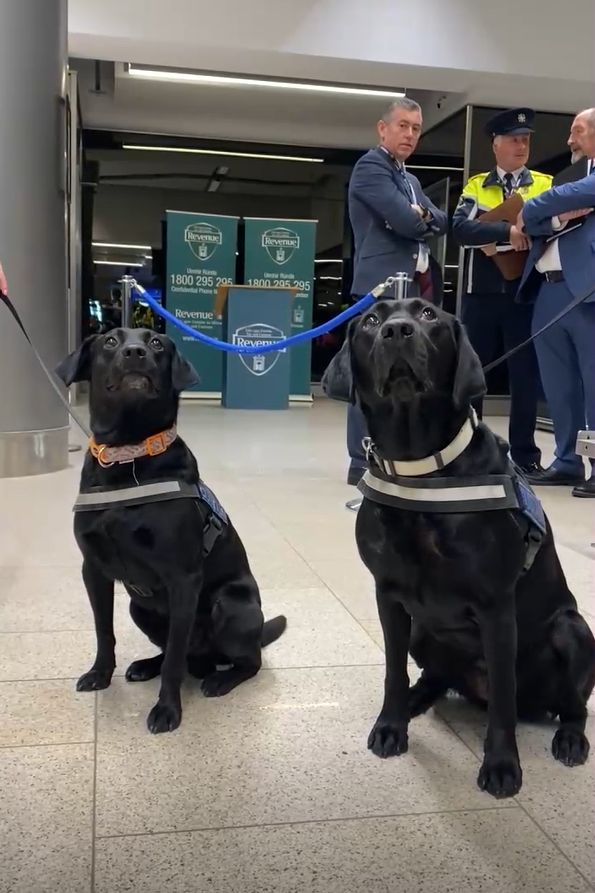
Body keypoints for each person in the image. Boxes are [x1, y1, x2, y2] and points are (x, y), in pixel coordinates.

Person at [345, 98, 448, 498]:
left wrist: (419, 214)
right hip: (382, 290)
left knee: (402, 373)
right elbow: (409, 221)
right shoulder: (372, 167)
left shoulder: (408, 178)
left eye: (416, 128)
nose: (409, 134)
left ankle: (394, 453)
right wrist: (417, 216)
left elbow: (440, 219)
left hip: (413, 292)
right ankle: (361, 459)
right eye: (403, 126)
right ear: (382, 128)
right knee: (371, 376)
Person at [452, 108, 553, 477]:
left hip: (525, 294)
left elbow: (552, 226)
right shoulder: (477, 185)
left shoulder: (543, 183)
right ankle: (469, 454)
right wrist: (505, 233)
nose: (522, 145)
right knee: (473, 374)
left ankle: (525, 456)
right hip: (481, 295)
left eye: (526, 139)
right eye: (514, 139)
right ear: (496, 145)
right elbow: (461, 229)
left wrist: (508, 229)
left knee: (525, 377)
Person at [517, 108, 595, 497]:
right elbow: (528, 222)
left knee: (594, 382)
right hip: (548, 290)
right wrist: (556, 218)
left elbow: (531, 208)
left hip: (587, 293)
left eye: (577, 131)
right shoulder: (574, 178)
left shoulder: (586, 182)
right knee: (558, 384)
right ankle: (567, 462)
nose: (569, 140)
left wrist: (540, 204)